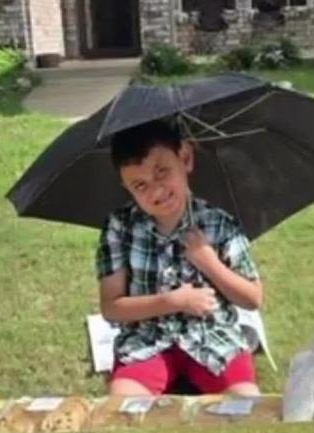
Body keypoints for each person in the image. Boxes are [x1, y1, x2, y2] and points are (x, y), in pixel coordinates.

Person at [95, 118, 263, 396]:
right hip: (146, 341)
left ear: (185, 158)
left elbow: (252, 298)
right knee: (123, 405)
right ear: (127, 188)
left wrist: (208, 262)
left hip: (215, 337)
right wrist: (172, 302)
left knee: (245, 404)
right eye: (140, 185)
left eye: (162, 172)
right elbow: (111, 307)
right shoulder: (119, 227)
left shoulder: (218, 223)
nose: (156, 190)